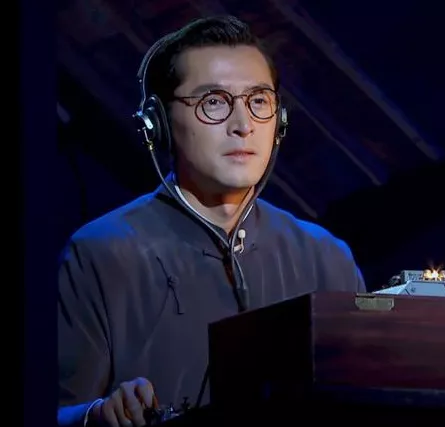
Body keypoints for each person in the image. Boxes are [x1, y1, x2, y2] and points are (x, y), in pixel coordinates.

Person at [58, 15, 366, 427]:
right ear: (157, 124)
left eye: (259, 101)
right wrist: (98, 415)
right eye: (214, 102)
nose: (243, 126)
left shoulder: (327, 257)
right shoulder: (99, 252)